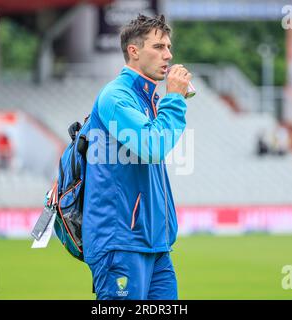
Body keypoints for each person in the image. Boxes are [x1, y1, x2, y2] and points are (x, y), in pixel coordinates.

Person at [82, 14, 191, 300]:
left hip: (154, 244)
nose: (168, 54)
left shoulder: (147, 98)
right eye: (158, 47)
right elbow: (153, 148)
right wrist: (175, 100)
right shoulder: (116, 97)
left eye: (168, 46)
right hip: (121, 243)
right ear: (134, 51)